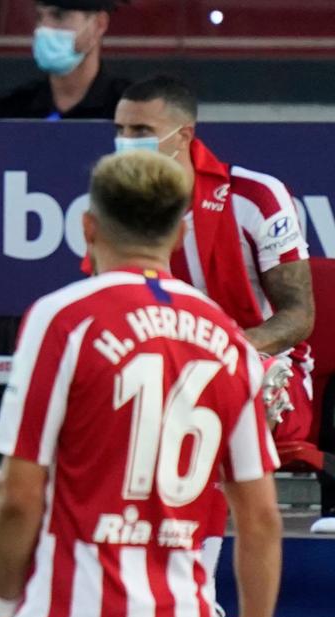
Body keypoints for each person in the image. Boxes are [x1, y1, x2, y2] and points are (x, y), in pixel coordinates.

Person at [0, 150, 281, 617]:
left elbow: (19, 493)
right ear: (179, 232)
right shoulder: (227, 339)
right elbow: (260, 517)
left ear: (87, 227)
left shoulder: (63, 317)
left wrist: (4, 606)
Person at [112, 76, 318, 558]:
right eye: (120, 129)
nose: (126, 142)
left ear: (183, 135)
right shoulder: (118, 205)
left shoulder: (256, 197)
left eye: (141, 130)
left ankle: (195, 583)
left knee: (198, 400)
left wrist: (220, 351)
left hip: (265, 371)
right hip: (162, 367)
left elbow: (299, 316)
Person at [0, 0, 131, 310]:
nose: (44, 29)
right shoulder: (11, 110)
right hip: (22, 308)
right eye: (40, 17)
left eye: (60, 16)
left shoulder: (128, 110)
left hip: (110, 304)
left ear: (99, 25)